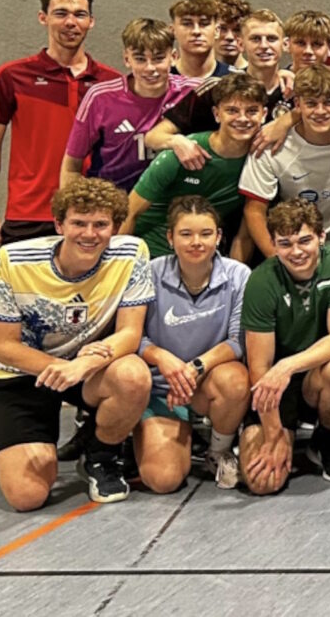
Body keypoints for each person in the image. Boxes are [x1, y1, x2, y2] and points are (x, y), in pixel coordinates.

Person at [0, 0, 122, 466]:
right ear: (43, 18)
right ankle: (4, 421)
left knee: (93, 326)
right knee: (13, 332)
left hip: (88, 224)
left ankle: (88, 425)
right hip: (28, 218)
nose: (70, 22)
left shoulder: (110, 82)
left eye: (79, 14)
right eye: (61, 13)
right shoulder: (13, 76)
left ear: (92, 21)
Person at [0, 178, 155, 509]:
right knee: (27, 497)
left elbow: (129, 334)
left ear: (116, 227)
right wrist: (62, 367)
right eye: (78, 223)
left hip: (85, 369)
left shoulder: (132, 254)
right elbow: (4, 347)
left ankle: (100, 454)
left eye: (100, 224)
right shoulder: (11, 260)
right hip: (24, 373)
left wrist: (83, 365)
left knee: (133, 376)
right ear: (59, 225)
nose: (89, 234)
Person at [237, 200, 330, 493]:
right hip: (273, 386)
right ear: (273, 244)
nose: (296, 252)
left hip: (314, 375)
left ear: (322, 237)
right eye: (285, 244)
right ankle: (278, 433)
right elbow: (260, 367)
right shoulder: (261, 280)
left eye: (304, 240)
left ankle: (326, 440)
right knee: (263, 483)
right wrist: (273, 434)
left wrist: (289, 365)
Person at [132, 196, 251, 493]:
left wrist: (195, 368)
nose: (196, 242)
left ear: (219, 237)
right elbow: (134, 337)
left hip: (205, 382)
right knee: (163, 480)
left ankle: (218, 451)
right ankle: (140, 435)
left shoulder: (239, 275)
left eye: (205, 233)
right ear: (170, 237)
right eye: (186, 234)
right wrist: (163, 359)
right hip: (162, 387)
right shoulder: (148, 273)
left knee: (236, 380)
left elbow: (237, 342)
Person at [124, 73, 266, 269]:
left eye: (251, 111)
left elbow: (244, 235)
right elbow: (129, 213)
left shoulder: (261, 161)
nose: (242, 118)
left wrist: (235, 278)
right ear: (217, 114)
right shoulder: (180, 154)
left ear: (264, 114)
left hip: (202, 259)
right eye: (232, 111)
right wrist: (119, 268)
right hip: (147, 255)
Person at [239, 64, 330, 258]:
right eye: (311, 103)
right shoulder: (271, 145)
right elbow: (254, 211)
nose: (320, 111)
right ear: (298, 104)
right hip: (294, 244)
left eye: (329, 102)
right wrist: (279, 258)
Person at [61, 18, 200, 191]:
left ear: (173, 57)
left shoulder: (194, 93)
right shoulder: (100, 97)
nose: (150, 68)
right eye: (140, 59)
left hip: (174, 199)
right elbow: (71, 167)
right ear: (127, 59)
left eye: (158, 59)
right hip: (114, 197)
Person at [145, 9, 292, 162]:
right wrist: (178, 142)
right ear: (240, 44)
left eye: (272, 39)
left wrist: (288, 119)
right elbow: (153, 137)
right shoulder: (216, 88)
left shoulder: (293, 91)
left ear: (284, 44)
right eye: (255, 39)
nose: (264, 45)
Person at [167, 0, 230, 80]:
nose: (196, 31)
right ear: (173, 31)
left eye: (204, 24)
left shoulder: (237, 79)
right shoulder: (162, 80)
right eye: (187, 24)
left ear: (217, 31)